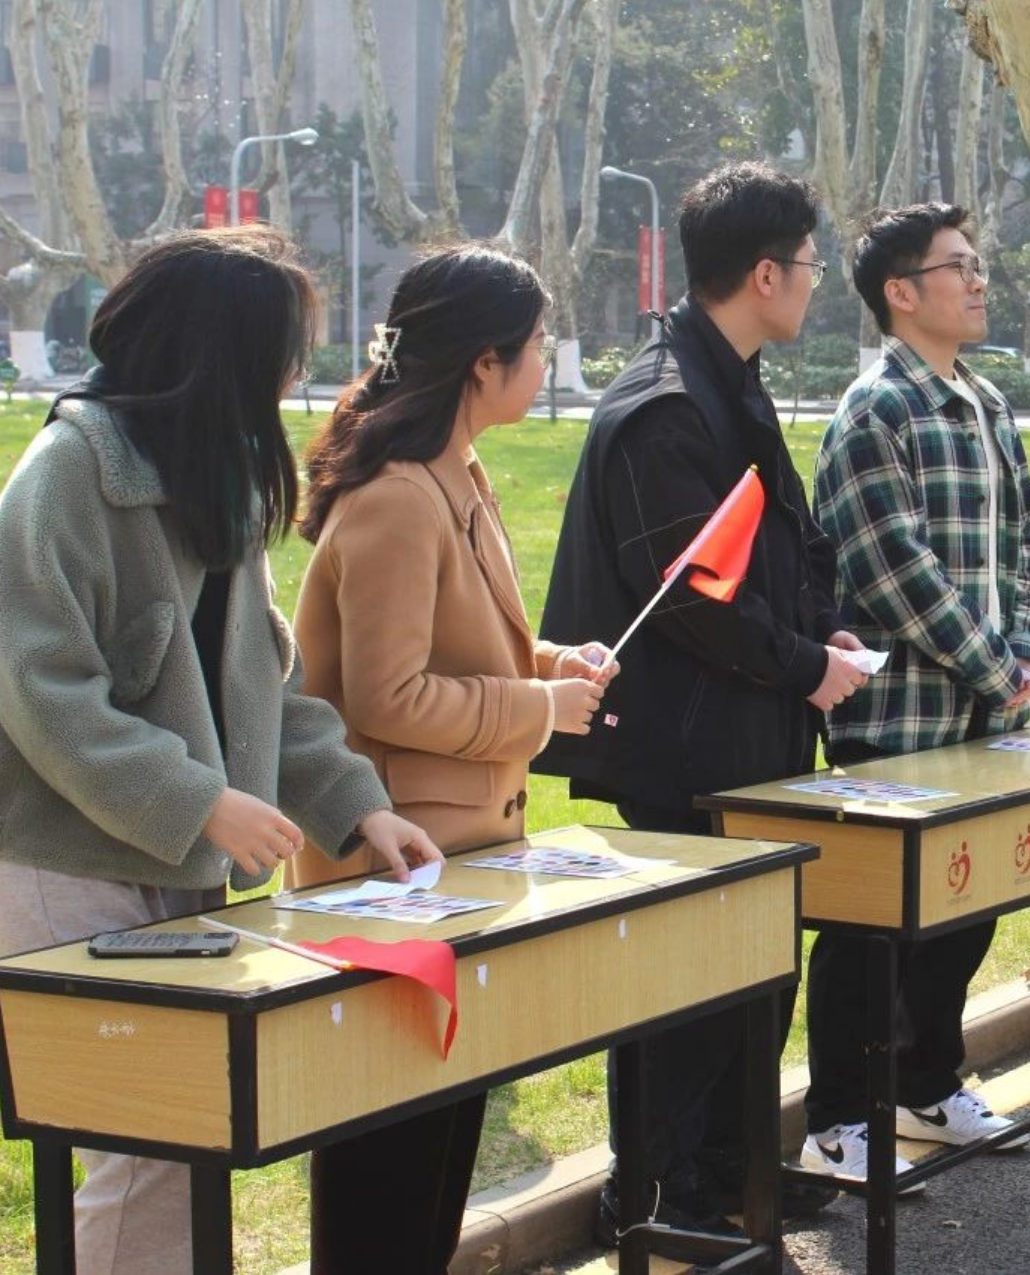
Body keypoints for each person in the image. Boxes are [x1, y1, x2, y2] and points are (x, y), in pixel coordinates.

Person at [0, 226, 441, 1275]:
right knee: (144, 1144)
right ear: (221, 353)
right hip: (63, 859)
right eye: (286, 350)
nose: (297, 373)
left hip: (179, 859)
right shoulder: (66, 472)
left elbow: (263, 678)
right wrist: (197, 799)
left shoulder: (221, 468)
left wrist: (357, 803)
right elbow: (38, 689)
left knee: (187, 1138)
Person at [536, 162, 860, 1239]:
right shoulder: (665, 405)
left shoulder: (730, 380)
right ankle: (654, 1194)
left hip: (750, 735)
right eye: (809, 265)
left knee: (757, 973)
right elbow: (689, 599)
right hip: (685, 750)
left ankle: (734, 1173)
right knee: (685, 986)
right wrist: (804, 665)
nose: (813, 282)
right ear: (764, 273)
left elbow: (781, 542)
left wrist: (821, 633)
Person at [289, 244, 618, 1271]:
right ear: (486, 361)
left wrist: (554, 663)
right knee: (387, 1173)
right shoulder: (397, 493)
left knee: (438, 1149)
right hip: (390, 873)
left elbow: (456, 645)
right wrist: (538, 706)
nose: (545, 360)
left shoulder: (454, 469)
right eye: (538, 342)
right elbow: (384, 696)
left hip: (455, 861)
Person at [803, 202, 1030, 1180]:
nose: (979, 280)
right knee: (869, 927)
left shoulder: (985, 403)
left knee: (963, 908)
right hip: (898, 721)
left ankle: (924, 1085)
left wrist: (1028, 647)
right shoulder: (875, 411)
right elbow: (891, 571)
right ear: (901, 293)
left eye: (976, 262)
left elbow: (1024, 545)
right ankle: (837, 1118)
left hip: (987, 717)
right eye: (958, 266)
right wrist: (1000, 667)